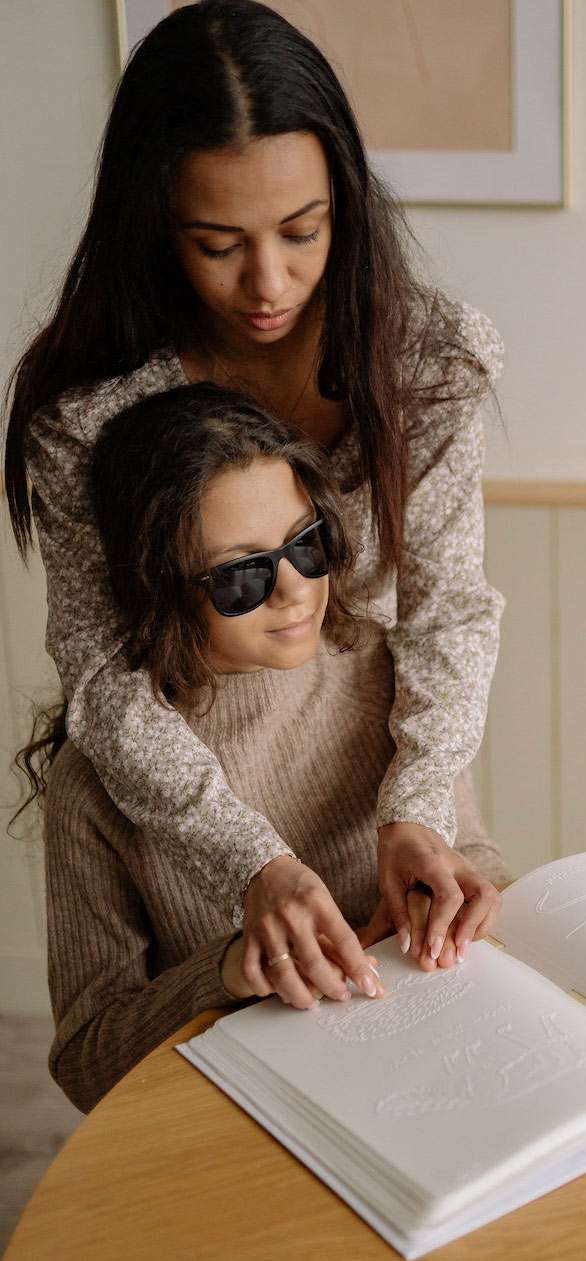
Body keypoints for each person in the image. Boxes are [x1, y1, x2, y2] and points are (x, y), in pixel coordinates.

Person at [2, 0, 506, 1006]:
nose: (267, 281)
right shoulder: (90, 414)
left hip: (370, 752)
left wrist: (419, 808)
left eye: (302, 230)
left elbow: (449, 607)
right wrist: (250, 862)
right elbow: (104, 675)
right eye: (216, 241)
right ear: (155, 226)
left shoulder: (425, 362)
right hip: (191, 806)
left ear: (345, 208)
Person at [17, 384, 508, 1113]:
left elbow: (474, 853)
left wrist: (463, 896)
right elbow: (88, 1063)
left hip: (428, 1068)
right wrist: (227, 974)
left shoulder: (384, 676)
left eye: (309, 545)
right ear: (157, 586)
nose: (295, 590)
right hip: (248, 1118)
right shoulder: (101, 779)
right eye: (241, 575)